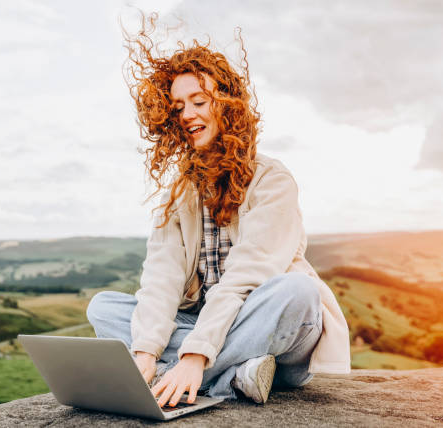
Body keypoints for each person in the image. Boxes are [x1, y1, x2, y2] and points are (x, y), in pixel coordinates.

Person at [87, 16, 350, 408]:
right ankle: (235, 375)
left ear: (227, 105)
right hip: (210, 327)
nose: (188, 114)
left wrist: (195, 356)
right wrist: (143, 352)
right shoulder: (179, 193)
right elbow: (161, 279)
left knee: (298, 291)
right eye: (178, 107)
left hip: (272, 333)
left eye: (199, 101)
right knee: (104, 308)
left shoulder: (272, 179)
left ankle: (186, 372)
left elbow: (246, 280)